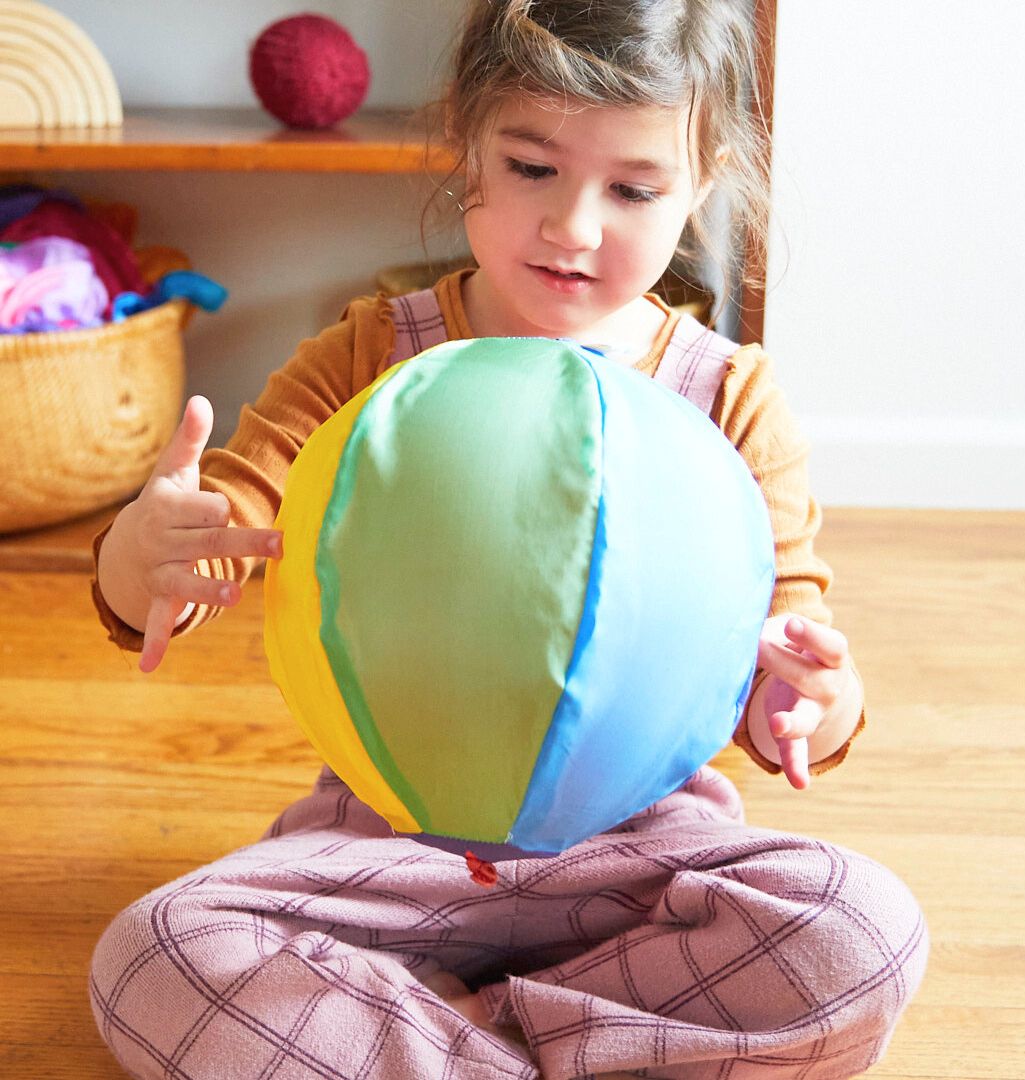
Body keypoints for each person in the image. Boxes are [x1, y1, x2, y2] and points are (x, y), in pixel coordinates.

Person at [89, 2, 928, 1077]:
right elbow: (219, 544)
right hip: (386, 845)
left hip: (638, 859)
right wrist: (142, 556)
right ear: (469, 141)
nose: (574, 226)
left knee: (862, 935)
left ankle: (431, 1037)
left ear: (703, 184)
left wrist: (812, 695)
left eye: (633, 189)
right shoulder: (369, 357)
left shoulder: (728, 397)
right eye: (532, 167)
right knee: (155, 954)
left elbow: (793, 661)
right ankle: (570, 1045)